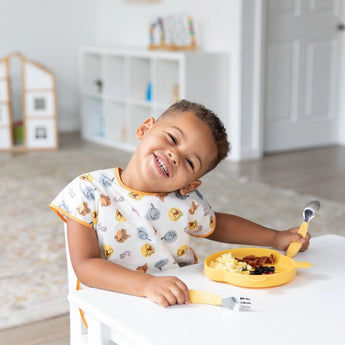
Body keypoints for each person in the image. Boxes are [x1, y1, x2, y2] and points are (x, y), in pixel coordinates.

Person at [50, 99, 310, 308]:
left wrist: (275, 238)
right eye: (172, 139)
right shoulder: (88, 190)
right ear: (145, 128)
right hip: (114, 300)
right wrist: (146, 285)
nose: (175, 155)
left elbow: (219, 225)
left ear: (189, 185)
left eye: (189, 162)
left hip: (176, 298)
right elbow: (85, 266)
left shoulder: (185, 202)